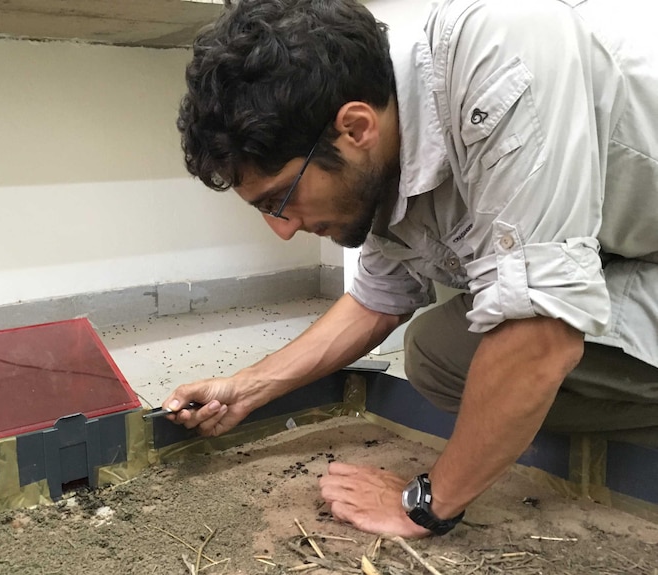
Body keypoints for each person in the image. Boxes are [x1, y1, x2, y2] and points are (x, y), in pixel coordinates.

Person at [164, 0, 658, 538]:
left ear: (354, 127)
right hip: (634, 255)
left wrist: (424, 502)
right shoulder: (385, 152)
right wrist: (248, 387)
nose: (282, 230)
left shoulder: (502, 52)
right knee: (440, 356)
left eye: (281, 198)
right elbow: (377, 299)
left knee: (523, 341)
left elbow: (541, 334)